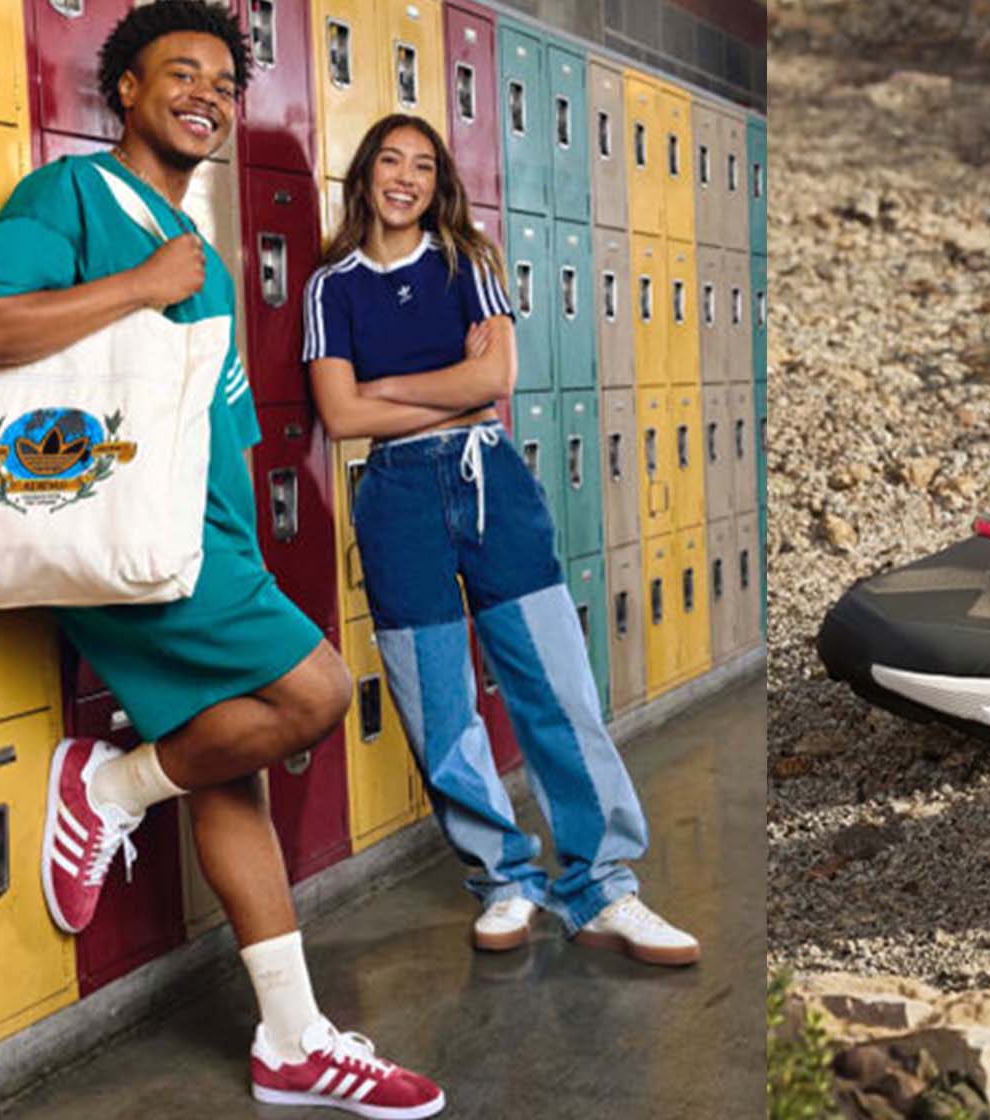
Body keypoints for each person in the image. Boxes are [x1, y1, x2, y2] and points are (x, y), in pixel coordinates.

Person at [0, 5, 444, 1115]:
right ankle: (111, 782)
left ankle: (290, 1037)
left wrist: (177, 282)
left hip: (202, 537)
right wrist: (141, 285)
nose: (208, 97)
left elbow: (214, 425)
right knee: (314, 691)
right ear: (122, 89)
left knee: (235, 768)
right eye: (182, 74)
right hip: (120, 532)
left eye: (225, 83)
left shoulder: (205, 257)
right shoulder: (69, 196)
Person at [303, 113, 700, 966]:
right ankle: (505, 881)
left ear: (438, 180)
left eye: (421, 164)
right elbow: (340, 417)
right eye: (388, 161)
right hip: (397, 494)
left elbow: (497, 381)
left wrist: (394, 385)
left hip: (491, 484)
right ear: (365, 175)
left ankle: (603, 889)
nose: (403, 178)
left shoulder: (465, 262)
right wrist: (451, 388)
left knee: (557, 693)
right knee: (437, 708)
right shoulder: (330, 286)